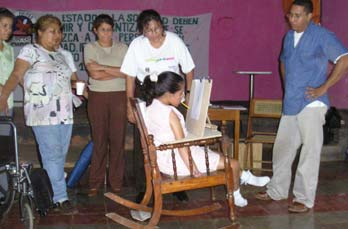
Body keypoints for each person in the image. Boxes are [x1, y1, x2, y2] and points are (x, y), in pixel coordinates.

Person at [256, 0, 348, 213]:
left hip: (312, 103)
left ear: (309, 16)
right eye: (291, 15)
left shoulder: (322, 36)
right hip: (292, 101)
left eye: (298, 15)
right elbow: (283, 61)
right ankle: (277, 191)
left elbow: (344, 59)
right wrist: (287, 85)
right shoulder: (288, 37)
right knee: (283, 148)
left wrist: (324, 87)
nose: (293, 19)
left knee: (310, 151)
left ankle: (303, 198)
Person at [140, 71, 270, 207]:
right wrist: (193, 168)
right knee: (233, 164)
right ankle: (235, 194)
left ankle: (246, 177)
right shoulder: (170, 113)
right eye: (180, 94)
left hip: (164, 158)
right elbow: (181, 145)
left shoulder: (150, 108)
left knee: (218, 156)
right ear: (169, 94)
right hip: (178, 160)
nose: (183, 97)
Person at [0, 15, 79, 215]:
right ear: (40, 33)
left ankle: (46, 192)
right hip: (42, 112)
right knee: (52, 154)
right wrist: (4, 95)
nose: (57, 36)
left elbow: (75, 82)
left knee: (59, 155)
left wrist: (88, 94)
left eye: (59, 31)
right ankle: (61, 198)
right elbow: (17, 75)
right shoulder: (30, 51)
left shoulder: (64, 55)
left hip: (65, 113)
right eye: (52, 31)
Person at [120, 9, 195, 202]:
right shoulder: (137, 45)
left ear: (162, 26)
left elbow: (189, 70)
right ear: (142, 31)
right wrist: (130, 105)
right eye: (149, 30)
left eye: (157, 28)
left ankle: (178, 183)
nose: (154, 34)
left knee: (175, 140)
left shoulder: (174, 41)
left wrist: (187, 94)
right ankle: (144, 187)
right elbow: (129, 76)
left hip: (171, 98)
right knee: (145, 144)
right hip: (146, 98)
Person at [84, 14, 128, 196]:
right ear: (95, 31)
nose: (106, 34)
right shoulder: (90, 47)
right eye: (102, 30)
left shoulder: (122, 47)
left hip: (120, 97)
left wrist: (102, 67)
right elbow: (94, 74)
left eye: (109, 30)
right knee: (99, 140)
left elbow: (127, 72)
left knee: (118, 141)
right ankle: (95, 182)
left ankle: (116, 181)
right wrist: (117, 72)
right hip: (97, 97)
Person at [0, 8, 15, 134]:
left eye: (10, 26)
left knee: (4, 137)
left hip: (7, 100)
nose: (8, 30)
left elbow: (15, 74)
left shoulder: (9, 49)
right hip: (2, 97)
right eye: (4, 26)